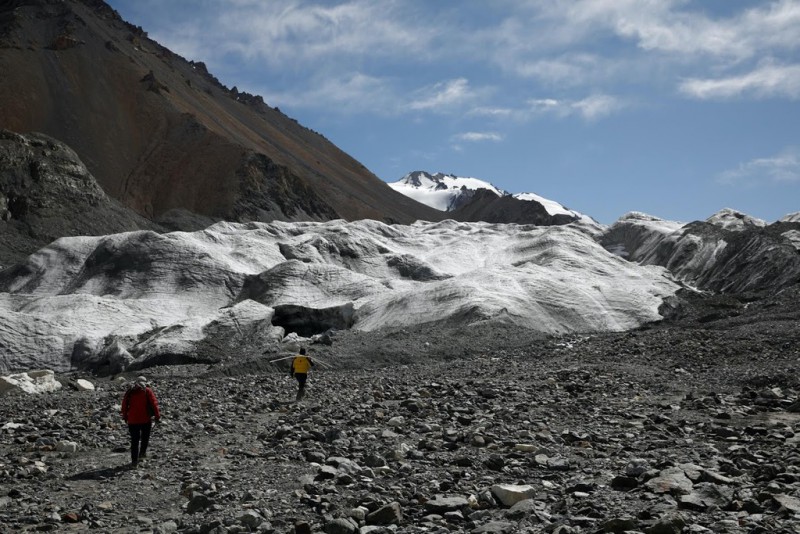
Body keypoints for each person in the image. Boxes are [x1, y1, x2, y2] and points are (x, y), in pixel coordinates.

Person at [121, 376, 160, 468]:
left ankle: (134, 461)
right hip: (145, 419)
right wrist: (157, 416)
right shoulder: (147, 391)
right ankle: (142, 454)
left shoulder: (130, 391)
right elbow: (154, 404)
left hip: (132, 420)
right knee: (145, 437)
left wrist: (125, 416)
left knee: (134, 441)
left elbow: (124, 404)